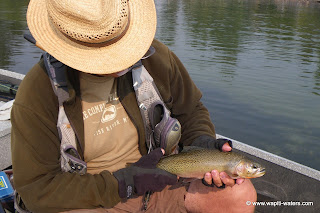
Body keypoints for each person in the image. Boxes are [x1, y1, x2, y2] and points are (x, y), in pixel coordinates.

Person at [11, 0, 257, 212]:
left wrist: (202, 142)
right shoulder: (38, 93)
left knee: (240, 198)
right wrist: (125, 182)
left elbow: (191, 110)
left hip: (161, 181)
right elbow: (37, 189)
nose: (122, 63)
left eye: (121, 48)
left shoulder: (155, 57)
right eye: (105, 57)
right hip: (91, 198)